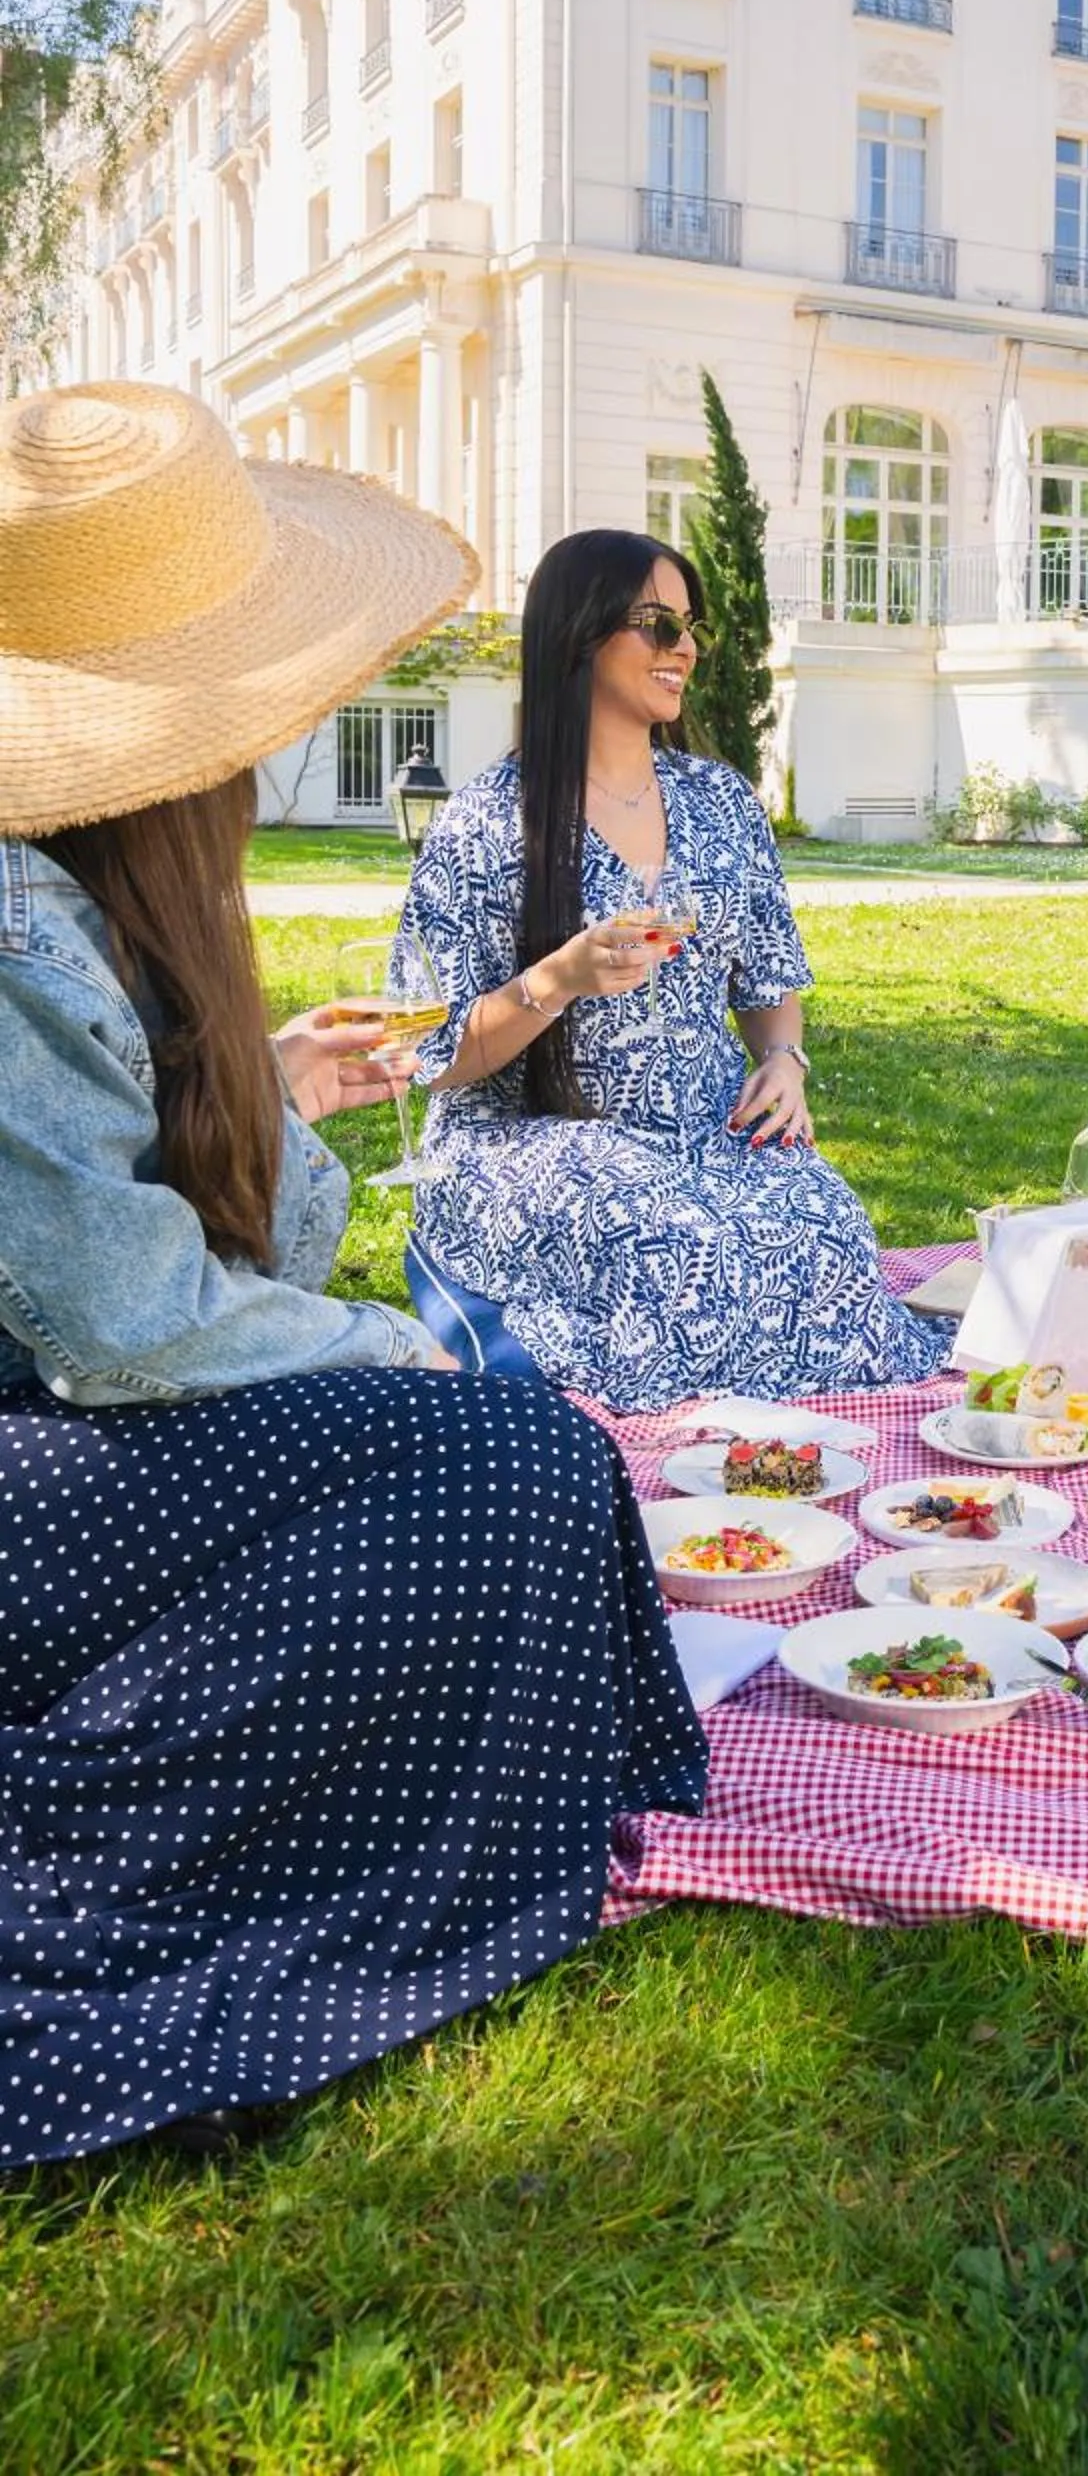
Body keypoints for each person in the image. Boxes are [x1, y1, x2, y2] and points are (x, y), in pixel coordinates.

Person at [0, 385, 705, 2170]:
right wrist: (391, 1347)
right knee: (511, 1457)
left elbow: (167, 1239)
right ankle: (135, 1905)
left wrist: (276, 1100)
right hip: (45, 1448)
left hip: (80, 1405)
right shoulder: (23, 921)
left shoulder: (91, 899)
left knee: (525, 1443)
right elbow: (123, 1319)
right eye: (657, 624)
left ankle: (465, 1798)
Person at [401, 529, 948, 1407]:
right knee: (675, 1247)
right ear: (580, 633)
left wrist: (784, 1060)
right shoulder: (489, 822)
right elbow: (435, 1053)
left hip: (707, 1122)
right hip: (535, 1135)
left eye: (691, 627)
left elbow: (770, 980)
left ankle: (796, 1440)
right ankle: (664, 1449)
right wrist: (558, 980)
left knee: (823, 1225)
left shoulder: (719, 799)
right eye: (657, 624)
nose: (684, 648)